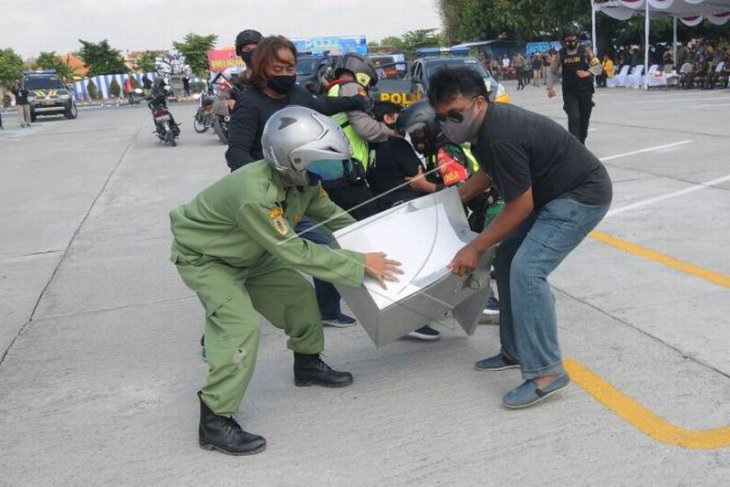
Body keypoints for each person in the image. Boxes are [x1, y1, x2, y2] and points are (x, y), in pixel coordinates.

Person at [170, 106, 402, 455]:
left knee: (299, 299)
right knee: (240, 328)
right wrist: (359, 263)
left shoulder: (302, 182)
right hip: (209, 260)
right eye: (322, 163)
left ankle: (307, 365)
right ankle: (215, 419)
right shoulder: (255, 195)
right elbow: (296, 252)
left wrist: (372, 241)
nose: (329, 171)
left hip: (252, 252)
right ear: (292, 160)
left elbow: (333, 218)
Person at [428, 67, 612, 409]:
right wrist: (455, 198)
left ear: (479, 103)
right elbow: (489, 172)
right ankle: (513, 350)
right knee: (508, 258)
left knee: (528, 270)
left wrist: (475, 246)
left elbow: (519, 206)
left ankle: (547, 372)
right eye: (442, 117)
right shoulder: (484, 131)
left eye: (455, 113)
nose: (449, 123)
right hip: (551, 195)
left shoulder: (500, 133)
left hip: (581, 196)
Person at [224, 36, 371, 327]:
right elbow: (235, 152)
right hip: (264, 201)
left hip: (300, 193)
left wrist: (359, 100)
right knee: (240, 271)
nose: (285, 74)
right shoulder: (250, 103)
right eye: (278, 68)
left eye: (290, 67)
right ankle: (215, 334)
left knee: (326, 246)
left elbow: (324, 104)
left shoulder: (298, 94)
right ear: (262, 67)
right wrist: (265, 182)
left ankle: (327, 310)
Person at [324, 53, 393, 221]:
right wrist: (395, 132)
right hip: (346, 172)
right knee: (372, 222)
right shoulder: (351, 88)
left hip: (333, 170)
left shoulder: (334, 89)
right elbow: (365, 129)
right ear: (363, 76)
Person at [547, 23, 602, 145]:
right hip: (569, 92)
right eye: (567, 38)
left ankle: (581, 143)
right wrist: (550, 87)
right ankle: (574, 147)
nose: (570, 41)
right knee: (574, 118)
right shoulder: (561, 54)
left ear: (577, 37)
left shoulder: (586, 51)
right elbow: (552, 70)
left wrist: (588, 73)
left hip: (585, 92)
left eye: (572, 37)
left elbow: (599, 67)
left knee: (583, 122)